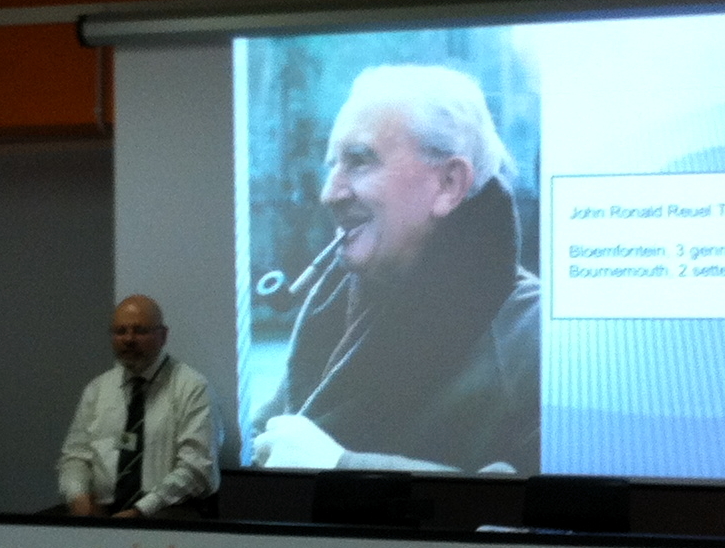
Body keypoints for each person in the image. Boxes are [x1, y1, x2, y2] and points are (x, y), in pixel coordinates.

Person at [251, 65, 540, 474]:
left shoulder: (533, 336)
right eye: (332, 165)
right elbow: (274, 430)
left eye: (359, 161)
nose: (329, 193)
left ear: (449, 184)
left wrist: (343, 467)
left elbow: (534, 503)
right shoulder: (341, 301)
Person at [57, 294, 221, 519]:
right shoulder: (98, 389)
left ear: (163, 336)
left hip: (170, 510)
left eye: (140, 331)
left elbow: (197, 468)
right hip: (104, 513)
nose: (129, 339)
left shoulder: (192, 387)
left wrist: (141, 511)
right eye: (120, 331)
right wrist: (78, 497)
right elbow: (75, 456)